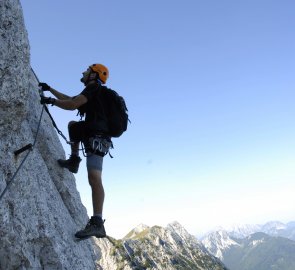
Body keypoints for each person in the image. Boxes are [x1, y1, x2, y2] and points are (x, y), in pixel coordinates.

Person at [39, 63, 112, 239]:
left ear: (94, 76)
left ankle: (97, 223)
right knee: (73, 126)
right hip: (95, 136)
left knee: (94, 179)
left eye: (87, 70)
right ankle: (74, 159)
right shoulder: (92, 92)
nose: (83, 72)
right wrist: (51, 90)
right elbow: (71, 99)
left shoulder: (94, 88)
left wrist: (51, 101)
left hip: (97, 138)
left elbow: (71, 105)